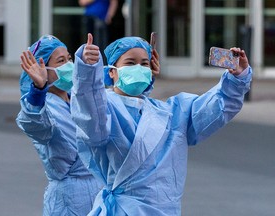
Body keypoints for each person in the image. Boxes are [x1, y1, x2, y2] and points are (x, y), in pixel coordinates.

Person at [70, 33, 252, 215]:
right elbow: (90, 115)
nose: (138, 68)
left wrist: (237, 78)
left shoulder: (171, 112)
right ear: (111, 71)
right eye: (130, 63)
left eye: (144, 64)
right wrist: (87, 73)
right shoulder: (106, 108)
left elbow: (213, 108)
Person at [16, 35, 102, 216]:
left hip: (100, 191)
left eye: (69, 59)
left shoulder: (78, 98)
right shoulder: (42, 105)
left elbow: (114, 107)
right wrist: (37, 91)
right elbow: (35, 125)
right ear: (41, 68)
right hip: (68, 201)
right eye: (61, 61)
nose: (69, 65)